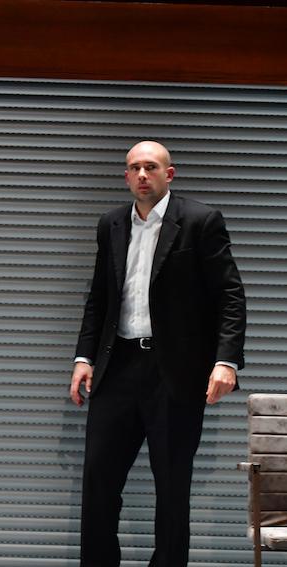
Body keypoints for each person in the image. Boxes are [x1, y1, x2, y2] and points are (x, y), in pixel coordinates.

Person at [69, 141, 246, 566]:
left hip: (174, 373)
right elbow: (99, 297)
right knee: (98, 482)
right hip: (117, 367)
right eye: (134, 168)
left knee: (171, 486)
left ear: (170, 174)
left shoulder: (200, 221)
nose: (142, 174)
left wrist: (225, 361)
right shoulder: (111, 224)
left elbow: (230, 295)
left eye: (151, 166)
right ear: (126, 176)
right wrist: (84, 358)